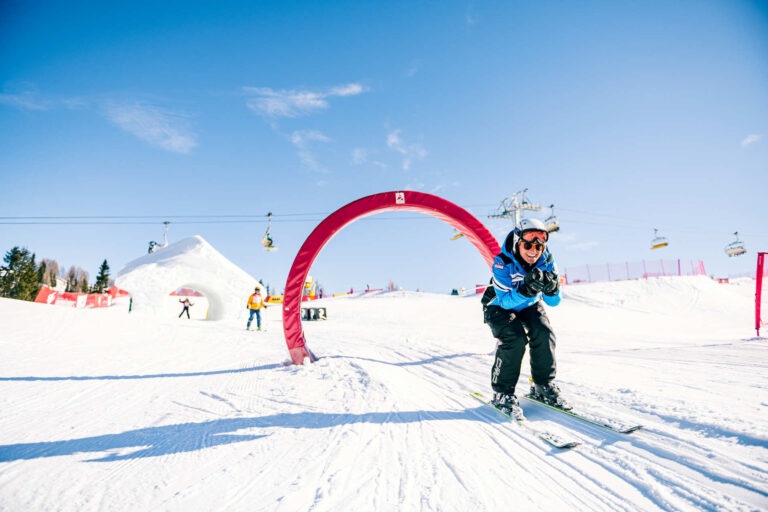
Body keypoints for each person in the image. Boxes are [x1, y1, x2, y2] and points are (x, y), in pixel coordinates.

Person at [481, 218, 567, 419]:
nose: (533, 250)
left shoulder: (547, 261)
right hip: (498, 305)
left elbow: (553, 302)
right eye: (527, 244)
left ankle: (542, 384)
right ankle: (502, 392)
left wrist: (552, 289)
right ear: (517, 242)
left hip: (528, 304)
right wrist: (527, 289)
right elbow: (504, 302)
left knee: (544, 333)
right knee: (515, 338)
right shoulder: (503, 263)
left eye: (539, 245)